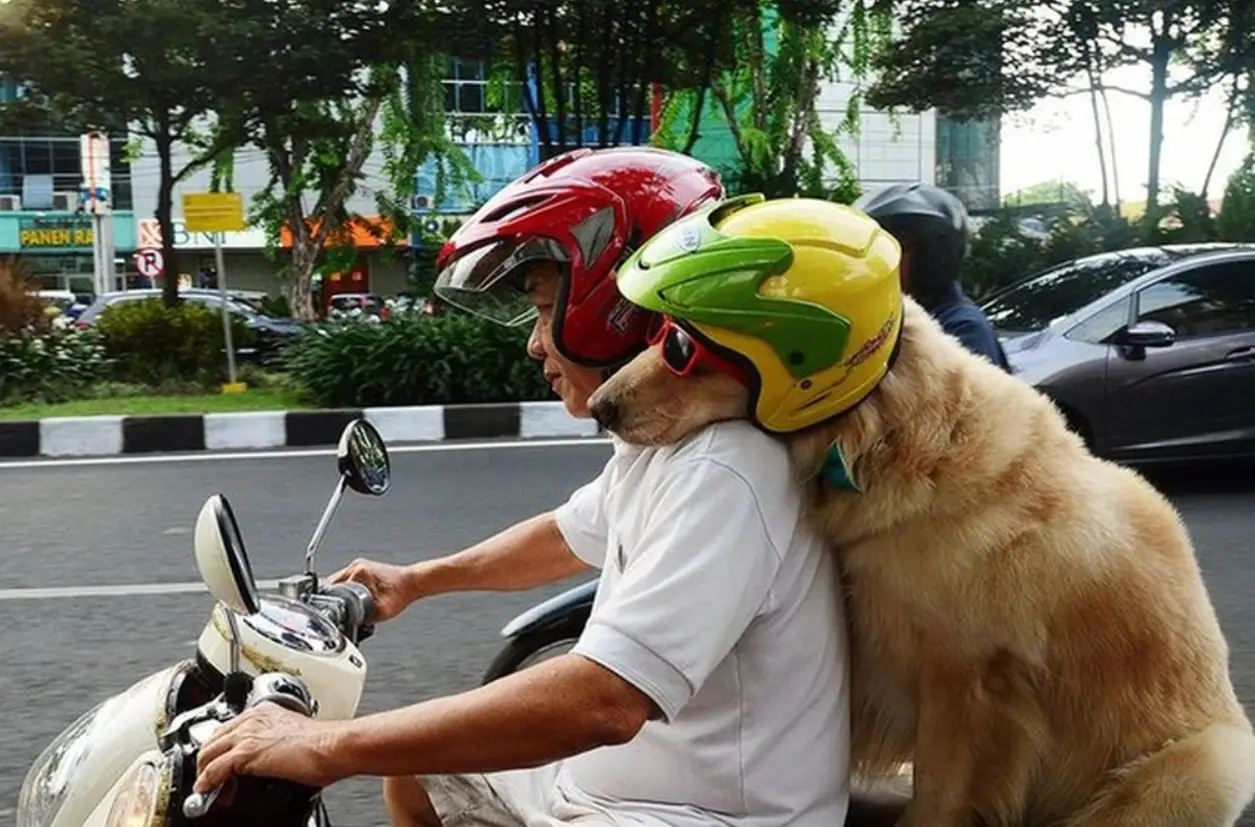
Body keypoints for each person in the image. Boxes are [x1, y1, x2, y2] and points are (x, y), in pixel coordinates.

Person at [191, 148, 859, 827]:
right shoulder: (662, 439)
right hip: (607, 793)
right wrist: (416, 580)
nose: (534, 345)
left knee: (384, 751)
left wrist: (328, 744)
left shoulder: (724, 467)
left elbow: (602, 700)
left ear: (613, 308)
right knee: (417, 775)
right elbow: (565, 534)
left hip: (696, 816)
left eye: (543, 310)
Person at [854, 182, 1011, 371]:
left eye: (892, 250)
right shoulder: (890, 320)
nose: (877, 262)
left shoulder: (962, 330)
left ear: (934, 257)